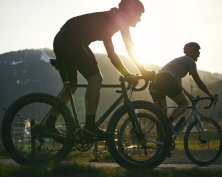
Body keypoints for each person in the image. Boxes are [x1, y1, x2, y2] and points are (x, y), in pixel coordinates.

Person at [46, 0, 154, 139]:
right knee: (96, 79)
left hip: (62, 40)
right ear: (130, 10)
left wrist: (127, 73)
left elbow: (111, 54)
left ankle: (49, 124)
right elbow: (129, 46)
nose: (139, 20)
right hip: (73, 40)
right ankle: (89, 127)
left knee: (71, 87)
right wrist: (143, 71)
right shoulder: (120, 18)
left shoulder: (109, 20)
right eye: (139, 15)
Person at [149, 42, 216, 129]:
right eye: (197, 51)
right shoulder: (190, 61)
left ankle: (162, 141)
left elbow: (178, 85)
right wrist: (210, 95)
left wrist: (189, 95)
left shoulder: (178, 64)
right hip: (165, 80)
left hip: (155, 82)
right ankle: (168, 125)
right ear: (191, 51)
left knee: (161, 116)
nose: (199, 54)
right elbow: (198, 82)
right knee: (184, 104)